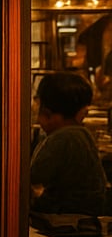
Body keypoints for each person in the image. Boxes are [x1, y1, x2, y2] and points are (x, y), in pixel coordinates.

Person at [30, 71, 107, 215]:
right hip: (85, 215)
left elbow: (33, 175)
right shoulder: (81, 133)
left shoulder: (63, 137)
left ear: (49, 114)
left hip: (66, 218)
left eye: (38, 107)